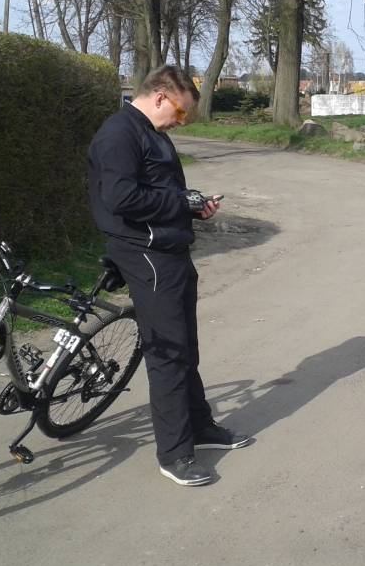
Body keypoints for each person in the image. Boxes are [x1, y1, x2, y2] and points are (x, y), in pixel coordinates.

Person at [87, 65, 250, 486]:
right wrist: (180, 202)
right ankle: (174, 453)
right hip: (146, 255)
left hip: (170, 251)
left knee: (186, 347)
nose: (181, 122)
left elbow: (159, 191)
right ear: (160, 96)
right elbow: (120, 197)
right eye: (180, 112)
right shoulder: (119, 133)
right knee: (167, 354)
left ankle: (200, 427)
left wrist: (193, 205)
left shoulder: (152, 132)